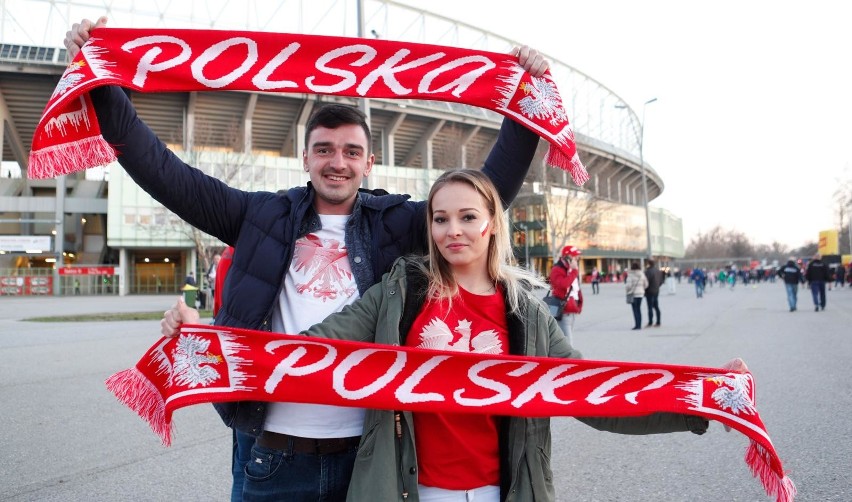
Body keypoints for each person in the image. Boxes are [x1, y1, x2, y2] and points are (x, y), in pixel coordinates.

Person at [66, 16, 552, 502]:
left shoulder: (397, 225)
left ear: (368, 162)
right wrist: (104, 83)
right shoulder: (258, 216)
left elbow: (487, 193)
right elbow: (165, 174)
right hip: (271, 456)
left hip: (365, 453)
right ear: (305, 158)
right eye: (324, 150)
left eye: (350, 152)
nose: (337, 162)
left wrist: (522, 100)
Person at [164, 169, 737, 501]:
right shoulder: (400, 290)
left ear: (492, 222)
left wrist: (700, 404)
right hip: (411, 489)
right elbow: (310, 350)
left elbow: (590, 393)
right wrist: (208, 338)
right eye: (440, 217)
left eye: (467, 216)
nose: (453, 230)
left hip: (499, 491)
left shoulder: (525, 314)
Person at [548, 245, 583, 346]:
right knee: (568, 343)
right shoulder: (557, 269)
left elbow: (576, 290)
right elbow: (563, 285)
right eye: (575, 257)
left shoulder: (570, 270)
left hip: (572, 310)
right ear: (568, 257)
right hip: (563, 311)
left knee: (566, 341)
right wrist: (575, 271)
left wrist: (579, 305)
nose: (577, 259)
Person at [625, 261, 648, 330]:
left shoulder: (630, 275)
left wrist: (628, 291)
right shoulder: (642, 274)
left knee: (635, 310)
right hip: (640, 294)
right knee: (639, 309)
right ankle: (639, 325)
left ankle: (637, 325)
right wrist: (642, 289)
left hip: (633, 294)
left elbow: (628, 286)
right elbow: (646, 284)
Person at [644, 259, 663, 327]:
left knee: (650, 307)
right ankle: (658, 321)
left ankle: (650, 322)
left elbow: (646, 282)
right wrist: (657, 286)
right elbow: (661, 281)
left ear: (649, 264)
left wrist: (645, 289)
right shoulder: (658, 271)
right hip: (656, 291)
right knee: (656, 306)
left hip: (649, 291)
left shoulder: (648, 272)